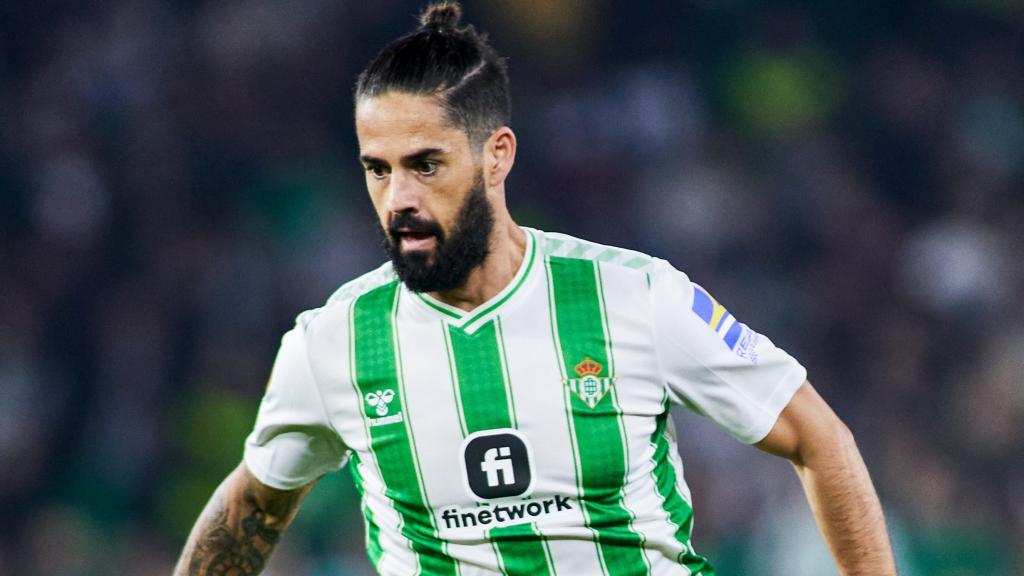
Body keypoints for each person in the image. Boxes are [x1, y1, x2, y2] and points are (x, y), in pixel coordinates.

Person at [175, 2, 897, 575]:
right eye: (377, 168)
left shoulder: (632, 297)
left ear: (497, 155)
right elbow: (254, 508)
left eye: (425, 164)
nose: (397, 197)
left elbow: (818, 437)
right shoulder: (332, 343)